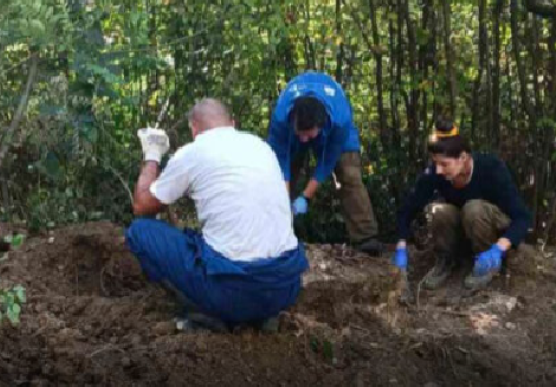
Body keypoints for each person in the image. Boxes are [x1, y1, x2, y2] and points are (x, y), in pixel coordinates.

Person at [125, 99, 309, 332]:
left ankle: (206, 311)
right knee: (212, 242)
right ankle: (261, 314)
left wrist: (152, 154)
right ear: (232, 124)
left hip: (232, 294)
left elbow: (142, 205)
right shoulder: (261, 146)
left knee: (140, 231)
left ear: (194, 129)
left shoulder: (192, 152)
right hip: (285, 287)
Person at [393, 120, 532, 291]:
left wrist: (498, 249)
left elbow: (523, 218)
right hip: (462, 233)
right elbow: (408, 207)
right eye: (435, 163)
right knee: (437, 210)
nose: (439, 170)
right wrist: (401, 244)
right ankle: (447, 259)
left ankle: (487, 264)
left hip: (492, 234)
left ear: (463, 158)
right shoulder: (435, 173)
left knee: (473, 208)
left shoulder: (491, 168)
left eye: (444, 164)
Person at [267, 71, 381, 255]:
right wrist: (283, 199)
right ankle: (275, 234)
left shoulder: (339, 119)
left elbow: (327, 161)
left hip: (335, 133)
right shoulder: (281, 117)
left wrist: (305, 196)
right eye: (301, 134)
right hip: (289, 135)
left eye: (309, 135)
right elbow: (281, 163)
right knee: (275, 180)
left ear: (321, 125)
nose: (305, 140)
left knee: (348, 173)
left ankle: (366, 237)